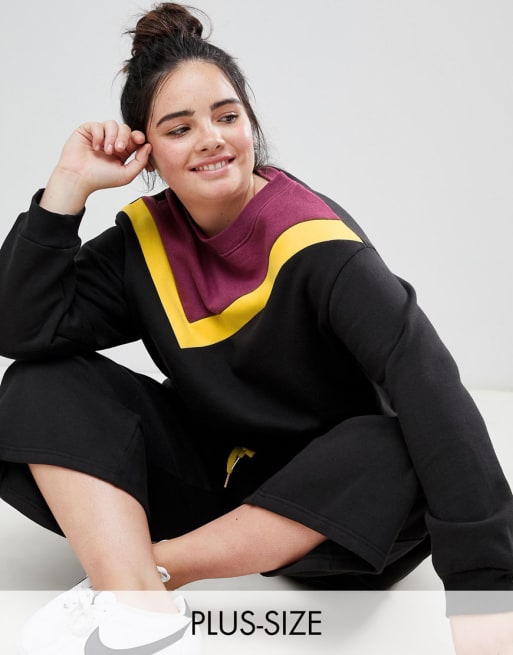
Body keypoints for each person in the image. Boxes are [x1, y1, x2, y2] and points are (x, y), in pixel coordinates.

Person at [0, 2, 512, 654]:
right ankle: (137, 601)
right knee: (38, 381)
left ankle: (145, 572)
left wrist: (485, 592)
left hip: (328, 508)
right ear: (146, 150)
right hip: (214, 481)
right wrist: (68, 186)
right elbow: (23, 327)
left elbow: (429, 383)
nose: (211, 138)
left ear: (250, 125)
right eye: (179, 127)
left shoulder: (315, 242)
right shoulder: (145, 243)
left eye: (227, 116)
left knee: (400, 439)